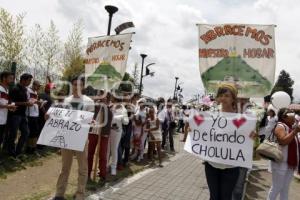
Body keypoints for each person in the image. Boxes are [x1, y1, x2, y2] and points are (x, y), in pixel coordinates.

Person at [53, 76, 94, 200]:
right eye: (75, 84)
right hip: (66, 138)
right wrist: (50, 117)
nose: (77, 87)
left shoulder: (89, 101)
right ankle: (59, 194)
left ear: (83, 86)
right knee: (65, 168)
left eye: (79, 84)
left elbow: (90, 121)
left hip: (81, 139)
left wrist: (90, 123)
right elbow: (61, 118)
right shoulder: (66, 100)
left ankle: (80, 194)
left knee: (82, 168)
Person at [204, 83, 245, 200]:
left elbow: (244, 139)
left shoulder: (241, 119)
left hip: (231, 167)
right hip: (212, 164)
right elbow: (205, 134)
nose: (223, 98)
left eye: (227, 95)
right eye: (221, 95)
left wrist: (250, 136)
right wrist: (195, 130)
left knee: (226, 197)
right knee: (213, 197)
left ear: (233, 98)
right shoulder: (211, 116)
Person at [267, 108, 300, 200]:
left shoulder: (289, 126)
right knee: (277, 187)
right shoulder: (280, 126)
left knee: (285, 189)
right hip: (280, 163)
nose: (294, 117)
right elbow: (283, 141)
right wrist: (295, 132)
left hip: (288, 164)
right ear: (284, 117)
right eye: (291, 115)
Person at [88, 90, 112, 182]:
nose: (100, 96)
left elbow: (109, 117)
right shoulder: (94, 105)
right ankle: (88, 173)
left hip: (103, 134)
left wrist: (105, 105)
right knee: (90, 154)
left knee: (103, 155)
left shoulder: (110, 107)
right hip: (93, 132)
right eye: (99, 95)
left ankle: (102, 174)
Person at [6, 73, 34, 156]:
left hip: (22, 115)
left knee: (26, 132)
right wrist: (25, 103)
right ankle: (11, 153)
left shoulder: (25, 90)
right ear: (23, 80)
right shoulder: (15, 89)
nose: (30, 82)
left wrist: (28, 103)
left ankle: (18, 151)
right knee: (13, 134)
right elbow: (11, 102)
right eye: (29, 80)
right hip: (15, 115)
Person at [107, 96, 128, 175]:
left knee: (114, 149)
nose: (112, 101)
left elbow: (126, 122)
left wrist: (121, 117)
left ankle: (113, 167)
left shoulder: (123, 109)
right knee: (107, 149)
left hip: (117, 131)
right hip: (108, 130)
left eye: (113, 99)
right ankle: (105, 166)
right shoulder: (111, 106)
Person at [0, 71, 17, 150]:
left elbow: (3, 105)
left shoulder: (7, 90)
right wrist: (8, 106)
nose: (12, 80)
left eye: (13, 79)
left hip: (3, 120)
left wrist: (10, 107)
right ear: (4, 78)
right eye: (10, 78)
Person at [26, 80, 42, 154]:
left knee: (35, 132)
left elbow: (35, 102)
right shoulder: (28, 91)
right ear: (34, 85)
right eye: (38, 86)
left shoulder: (36, 93)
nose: (39, 88)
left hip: (36, 114)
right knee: (31, 132)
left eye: (39, 86)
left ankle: (33, 148)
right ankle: (29, 148)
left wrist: (39, 103)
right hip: (30, 114)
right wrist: (36, 102)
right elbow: (27, 101)